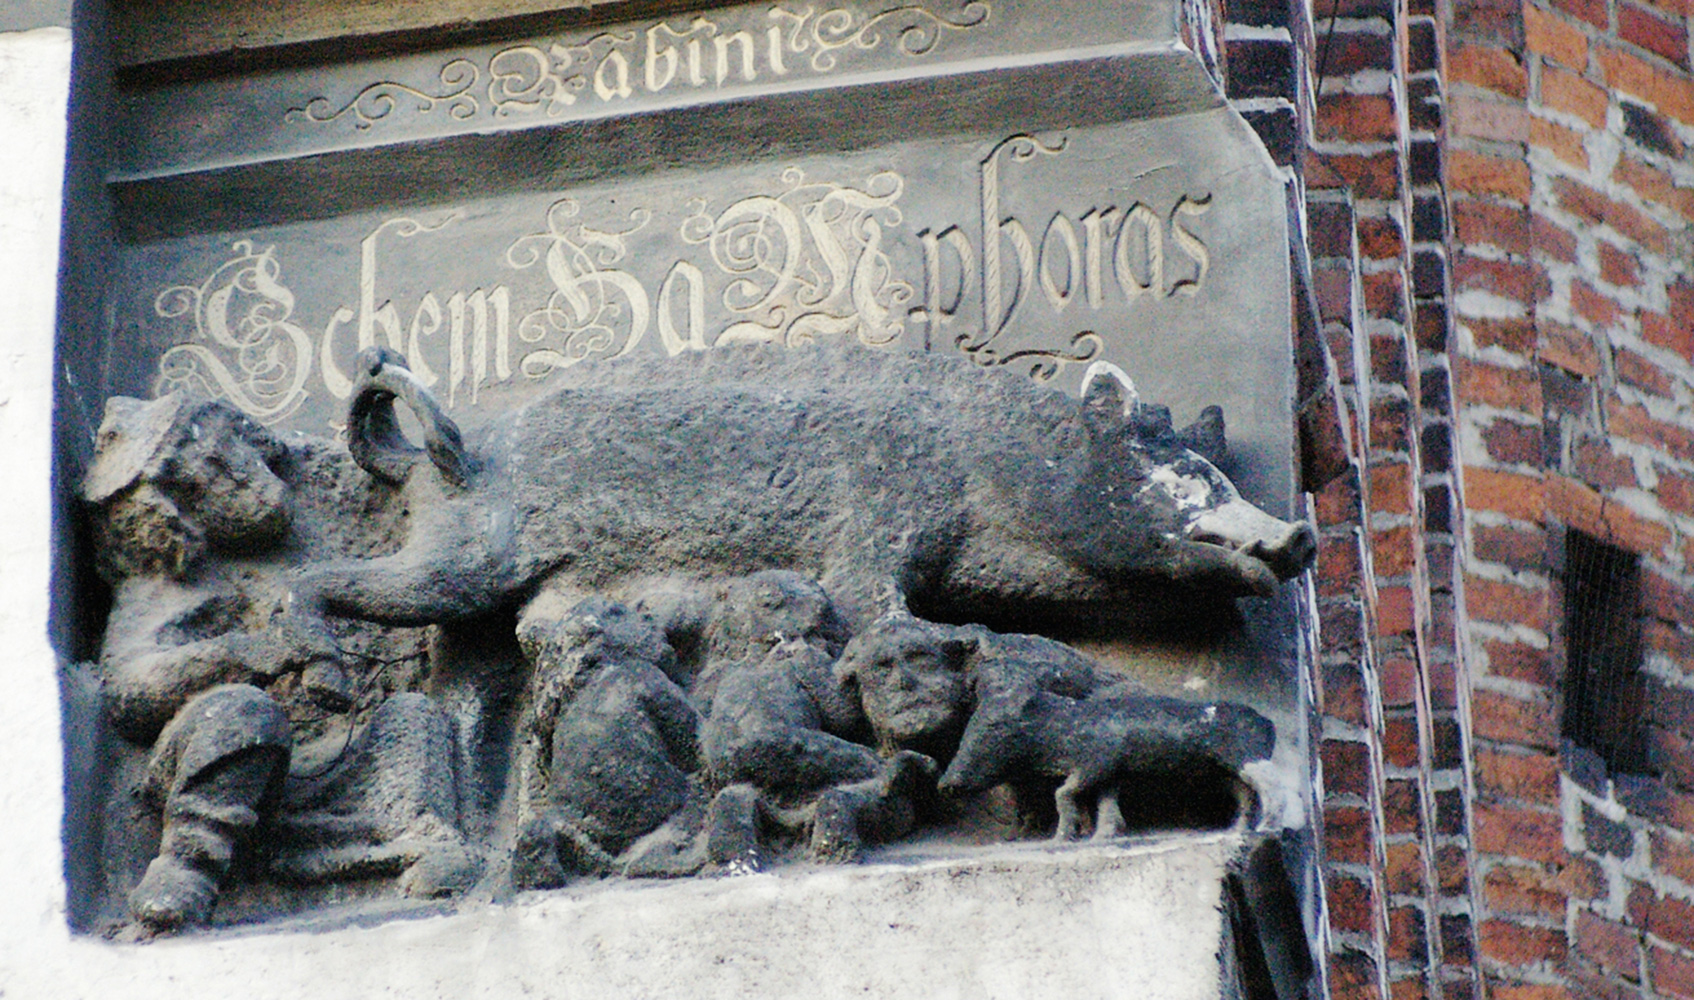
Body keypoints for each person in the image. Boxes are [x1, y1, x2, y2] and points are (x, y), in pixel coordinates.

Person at [84, 392, 478, 933]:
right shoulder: (172, 581)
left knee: (413, 717)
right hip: (234, 763)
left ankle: (403, 843)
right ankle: (190, 869)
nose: (238, 479)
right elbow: (130, 689)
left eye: (233, 456)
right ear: (177, 516)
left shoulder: (330, 504)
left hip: (336, 754)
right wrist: (254, 654)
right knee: (243, 715)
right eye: (206, 481)